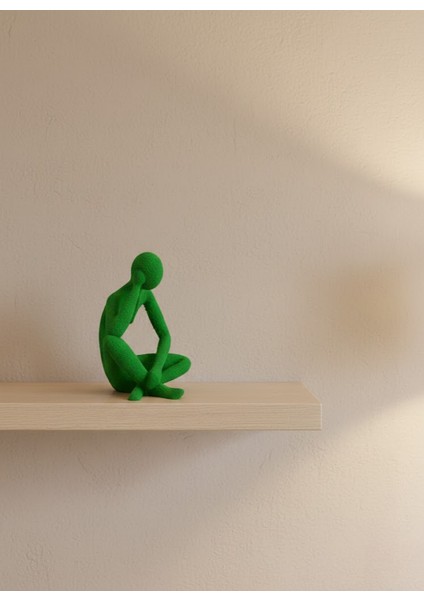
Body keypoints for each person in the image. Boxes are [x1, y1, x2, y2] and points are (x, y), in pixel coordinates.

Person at [99, 252, 191, 401]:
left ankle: (145, 386)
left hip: (137, 373)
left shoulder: (146, 294)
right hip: (118, 373)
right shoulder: (114, 298)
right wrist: (136, 287)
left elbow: (165, 335)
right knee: (110, 340)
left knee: (184, 362)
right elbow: (115, 332)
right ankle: (157, 388)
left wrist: (156, 370)